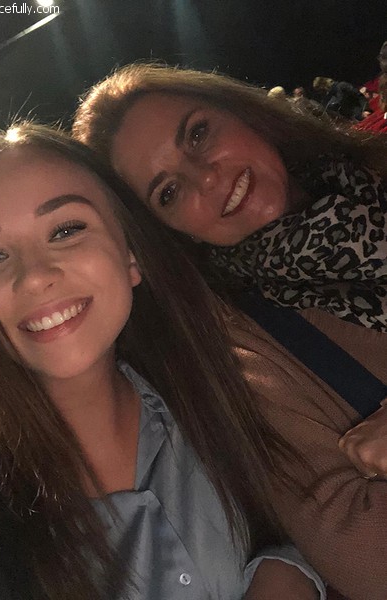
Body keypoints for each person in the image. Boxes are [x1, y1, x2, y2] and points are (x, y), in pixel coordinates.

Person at [0, 123, 324, 600]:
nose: (34, 277)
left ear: (131, 256)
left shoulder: (225, 392)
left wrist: (286, 571)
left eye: (66, 230)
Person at [72, 62, 387, 599]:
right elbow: (370, 560)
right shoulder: (241, 356)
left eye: (198, 134)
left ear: (242, 112)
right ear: (169, 232)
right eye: (169, 192)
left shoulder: (373, 167)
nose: (208, 178)